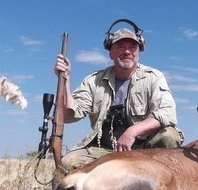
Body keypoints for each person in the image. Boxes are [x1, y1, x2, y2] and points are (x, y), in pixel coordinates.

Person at [54, 19, 183, 170]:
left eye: (132, 47)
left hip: (145, 151)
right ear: (111, 53)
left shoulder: (154, 77)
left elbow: (166, 114)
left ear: (138, 53)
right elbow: (69, 115)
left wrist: (132, 132)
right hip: (105, 150)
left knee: (169, 136)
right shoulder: (94, 80)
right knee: (68, 163)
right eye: (120, 46)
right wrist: (65, 80)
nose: (127, 51)